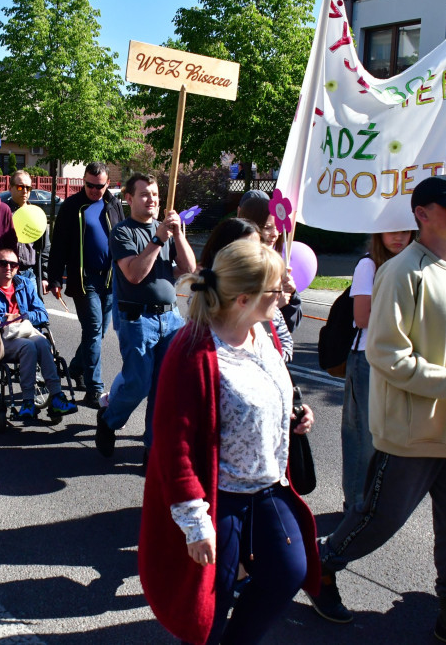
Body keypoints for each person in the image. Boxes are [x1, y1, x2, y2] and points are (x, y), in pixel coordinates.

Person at [309, 175, 446, 645]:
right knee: (378, 521)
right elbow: (386, 354)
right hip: (409, 432)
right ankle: (321, 567)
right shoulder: (400, 272)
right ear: (422, 214)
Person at [139, 240, 320, 645]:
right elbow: (174, 446)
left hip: (268, 487)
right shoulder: (191, 350)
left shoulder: (266, 330)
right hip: (219, 498)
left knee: (290, 569)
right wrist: (194, 522)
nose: (287, 294)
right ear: (244, 298)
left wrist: (292, 418)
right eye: (277, 289)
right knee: (208, 609)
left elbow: (272, 391)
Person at [95, 173, 195, 458]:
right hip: (137, 321)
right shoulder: (123, 232)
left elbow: (188, 268)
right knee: (138, 383)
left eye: (155, 194)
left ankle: (152, 449)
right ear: (129, 199)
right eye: (144, 194)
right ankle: (109, 420)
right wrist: (158, 238)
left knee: (164, 389)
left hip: (171, 319)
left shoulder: (167, 231)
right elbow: (135, 274)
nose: (151, 199)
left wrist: (177, 235)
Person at [340, 230, 414, 512]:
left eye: (405, 231)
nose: (398, 237)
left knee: (393, 433)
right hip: (367, 359)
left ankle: (378, 502)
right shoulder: (368, 264)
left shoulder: (413, 264)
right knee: (362, 436)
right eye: (391, 231)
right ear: (379, 233)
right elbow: (362, 317)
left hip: (399, 359)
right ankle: (356, 505)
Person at [47, 162, 125, 407]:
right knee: (92, 330)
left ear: (107, 184)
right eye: (90, 185)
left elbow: (123, 237)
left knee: (99, 333)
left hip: (110, 278)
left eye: (99, 186)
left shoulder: (113, 204)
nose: (94, 190)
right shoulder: (72, 206)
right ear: (83, 181)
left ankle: (77, 368)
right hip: (84, 279)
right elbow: (58, 245)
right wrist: (55, 277)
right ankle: (95, 388)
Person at [0, 247, 77, 421]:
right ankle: (28, 402)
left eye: (13, 264)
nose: (8, 267)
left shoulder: (25, 283)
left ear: (17, 267)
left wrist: (22, 317)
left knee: (43, 342)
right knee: (29, 346)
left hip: (24, 331)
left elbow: (42, 314)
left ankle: (57, 396)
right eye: (3, 263)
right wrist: (3, 319)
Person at [199, 217, 294, 363]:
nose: (254, 255)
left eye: (257, 247)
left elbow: (285, 344)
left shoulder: (265, 290)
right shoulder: (206, 353)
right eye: (245, 248)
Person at [237, 193, 302, 334]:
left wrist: (292, 295)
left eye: (277, 227)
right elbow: (231, 321)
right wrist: (273, 306)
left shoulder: (276, 264)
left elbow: (290, 326)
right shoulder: (236, 266)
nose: (275, 234)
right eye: (267, 227)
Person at [4, 170, 49, 292]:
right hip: (7, 274)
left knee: (33, 310)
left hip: (30, 274)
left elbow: (45, 248)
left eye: (28, 188)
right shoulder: (3, 213)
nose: (24, 191)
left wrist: (45, 276)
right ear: (10, 188)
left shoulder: (36, 215)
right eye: (20, 187)